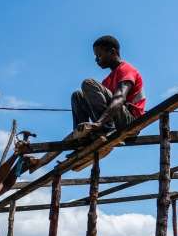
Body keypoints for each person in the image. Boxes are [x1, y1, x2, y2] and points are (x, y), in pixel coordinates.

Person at [28, 35, 146, 171]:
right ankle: (82, 138)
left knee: (88, 83)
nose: (96, 60)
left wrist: (100, 123)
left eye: (99, 55)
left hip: (130, 122)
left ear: (112, 52)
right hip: (115, 118)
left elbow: (119, 99)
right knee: (77, 95)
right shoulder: (107, 81)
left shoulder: (126, 70)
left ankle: (106, 128)